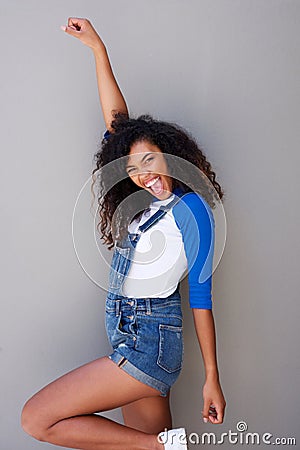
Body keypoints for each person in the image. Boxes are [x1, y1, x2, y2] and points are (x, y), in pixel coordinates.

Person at [21, 17, 226, 450]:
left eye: (149, 161)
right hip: (130, 334)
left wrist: (212, 379)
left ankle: (166, 443)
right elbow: (118, 126)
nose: (142, 175)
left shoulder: (192, 210)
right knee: (138, 444)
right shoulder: (150, 209)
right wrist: (98, 49)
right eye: (132, 169)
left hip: (147, 344)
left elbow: (202, 297)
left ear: (172, 156)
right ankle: (162, 445)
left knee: (37, 418)